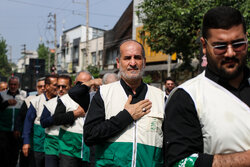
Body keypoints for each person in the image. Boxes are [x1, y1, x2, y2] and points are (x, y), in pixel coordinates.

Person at [163, 6, 250, 167]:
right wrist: (244, 160)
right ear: (204, 45)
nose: (230, 53)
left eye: (238, 44)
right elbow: (179, 163)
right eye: (220, 47)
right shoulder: (188, 97)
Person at [84, 40, 165, 167]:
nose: (132, 63)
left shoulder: (160, 97)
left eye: (137, 58)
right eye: (127, 58)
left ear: (144, 62)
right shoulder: (105, 93)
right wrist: (126, 116)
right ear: (118, 62)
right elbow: (89, 136)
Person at [52, 71, 102, 167]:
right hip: (69, 150)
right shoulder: (65, 99)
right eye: (81, 84)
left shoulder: (96, 98)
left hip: (89, 151)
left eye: (87, 83)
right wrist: (74, 114)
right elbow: (57, 119)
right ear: (75, 84)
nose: (83, 87)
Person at [22, 74, 58, 167]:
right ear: (47, 86)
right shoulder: (36, 101)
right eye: (55, 85)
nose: (58, 88)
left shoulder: (61, 100)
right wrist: (26, 142)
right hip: (39, 144)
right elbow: (28, 123)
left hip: (55, 146)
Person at [40, 75, 72, 167]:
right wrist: (57, 118)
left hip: (69, 145)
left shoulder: (75, 104)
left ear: (70, 87)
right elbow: (43, 122)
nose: (61, 89)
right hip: (52, 145)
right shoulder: (50, 103)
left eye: (64, 87)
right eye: (58, 86)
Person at [14, 77, 45, 167]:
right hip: (31, 137)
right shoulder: (29, 100)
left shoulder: (54, 100)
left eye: (44, 86)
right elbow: (21, 117)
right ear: (36, 87)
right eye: (40, 86)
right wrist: (17, 129)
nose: (42, 88)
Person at [0, 76, 27, 167]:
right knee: (4, 153)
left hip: (17, 130)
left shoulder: (23, 94)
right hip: (4, 130)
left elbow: (25, 113)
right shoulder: (2, 94)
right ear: (8, 85)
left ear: (18, 85)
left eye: (15, 84)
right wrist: (7, 103)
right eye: (11, 84)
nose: (13, 86)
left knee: (15, 153)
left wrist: (19, 128)